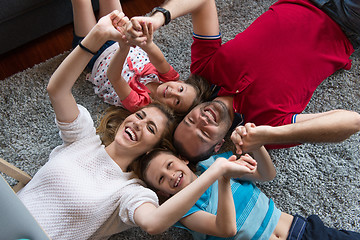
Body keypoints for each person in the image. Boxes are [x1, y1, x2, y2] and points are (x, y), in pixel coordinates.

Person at [16, 10, 263, 240]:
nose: (139, 124)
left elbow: (154, 223)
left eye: (151, 129)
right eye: (141, 116)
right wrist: (97, 35)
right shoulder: (83, 138)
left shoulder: (130, 192)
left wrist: (215, 173)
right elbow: (57, 90)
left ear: (152, 149)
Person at [126, 0, 360, 162]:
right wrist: (268, 136)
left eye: (190, 122)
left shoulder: (204, 70)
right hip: (345, 24)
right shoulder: (266, 126)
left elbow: (203, 3)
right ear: (219, 145)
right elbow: (351, 122)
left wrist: (157, 20)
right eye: (204, 134)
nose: (202, 120)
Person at [137, 149, 360, 240]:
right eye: (161, 179)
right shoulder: (184, 212)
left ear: (183, 159)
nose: (171, 175)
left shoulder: (214, 162)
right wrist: (223, 179)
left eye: (169, 164)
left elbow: (267, 175)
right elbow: (227, 229)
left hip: (302, 230)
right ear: (162, 192)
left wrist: (258, 145)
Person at [71, 0, 211, 115]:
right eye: (180, 89)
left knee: (81, 3)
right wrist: (147, 43)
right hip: (121, 37)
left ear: (170, 112)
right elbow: (159, 60)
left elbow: (114, 77)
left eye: (177, 102)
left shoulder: (141, 104)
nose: (173, 92)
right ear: (180, 82)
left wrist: (123, 46)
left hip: (96, 55)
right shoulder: (170, 78)